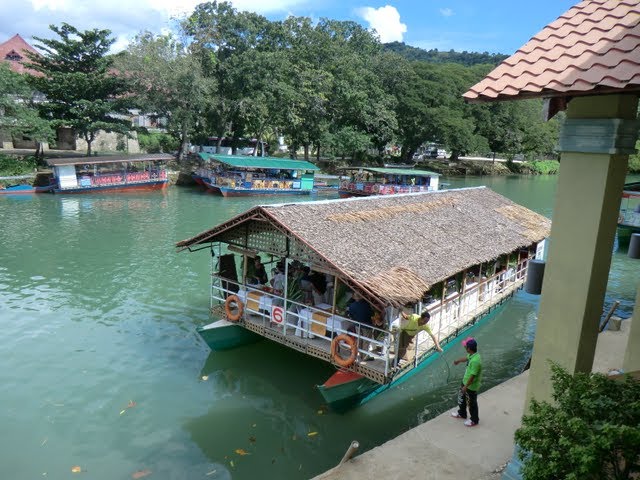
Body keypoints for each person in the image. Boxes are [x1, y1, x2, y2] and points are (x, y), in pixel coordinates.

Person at [451, 337, 482, 427]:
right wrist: (458, 361)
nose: (464, 347)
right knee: (462, 399)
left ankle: (474, 420)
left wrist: (466, 387)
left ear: (469, 349)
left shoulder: (476, 361)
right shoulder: (472, 355)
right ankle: (462, 413)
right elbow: (466, 358)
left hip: (470, 386)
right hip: (465, 382)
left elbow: (473, 376)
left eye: (466, 346)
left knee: (472, 403)